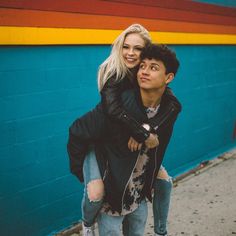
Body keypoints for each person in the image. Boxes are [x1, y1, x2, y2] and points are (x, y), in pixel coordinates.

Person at [67, 43, 181, 236]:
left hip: (137, 182)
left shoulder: (170, 107)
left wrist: (144, 131)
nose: (144, 71)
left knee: (164, 183)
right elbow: (78, 130)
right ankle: (87, 224)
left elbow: (163, 120)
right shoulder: (116, 109)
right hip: (114, 183)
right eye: (142, 66)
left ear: (169, 77)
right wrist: (82, 173)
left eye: (153, 68)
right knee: (96, 196)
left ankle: (161, 231)